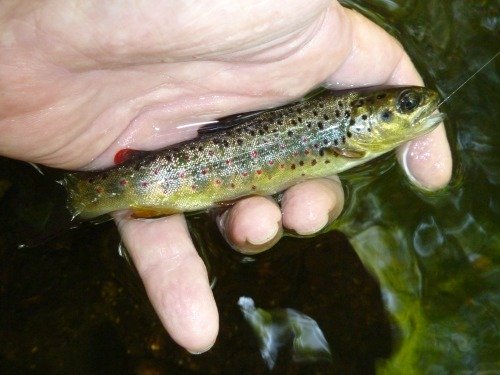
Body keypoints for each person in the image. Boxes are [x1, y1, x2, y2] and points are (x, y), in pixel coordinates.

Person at [0, 0, 451, 354]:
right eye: (405, 109)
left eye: (408, 107)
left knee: (270, 218)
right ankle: (70, 198)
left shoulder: (348, 133)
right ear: (359, 122)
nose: (419, 109)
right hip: (179, 169)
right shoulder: (343, 136)